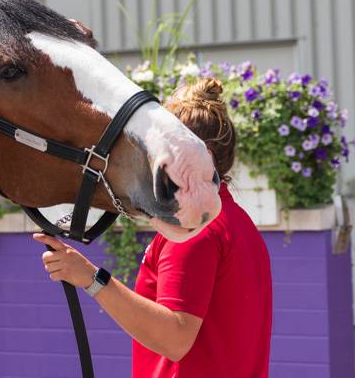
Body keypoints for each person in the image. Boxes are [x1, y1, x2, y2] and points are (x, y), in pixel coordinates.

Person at [34, 78, 272, 377]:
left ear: (200, 155)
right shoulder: (237, 222)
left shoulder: (194, 229)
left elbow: (175, 338)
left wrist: (90, 278)